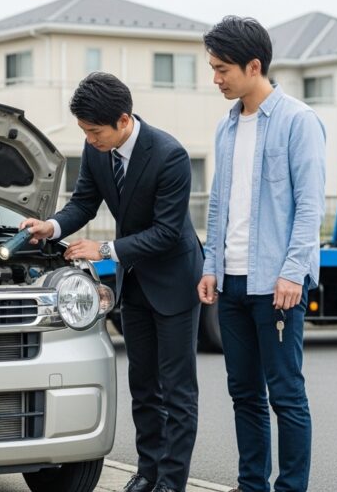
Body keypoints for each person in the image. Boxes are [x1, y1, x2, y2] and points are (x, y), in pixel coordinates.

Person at [21, 72, 203, 492]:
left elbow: (168, 232)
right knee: (143, 386)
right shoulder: (97, 149)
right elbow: (85, 201)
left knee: (176, 390)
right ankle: (149, 472)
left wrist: (104, 251)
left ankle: (172, 482)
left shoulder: (169, 155)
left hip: (174, 281)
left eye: (94, 130)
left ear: (123, 120)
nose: (89, 138)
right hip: (134, 282)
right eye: (84, 131)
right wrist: (51, 225)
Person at [196, 16, 326, 492]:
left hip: (277, 284)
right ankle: (252, 485)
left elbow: (310, 205)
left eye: (222, 68)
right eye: (212, 67)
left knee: (286, 395)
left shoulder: (299, 121)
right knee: (243, 394)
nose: (216, 78)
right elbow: (218, 203)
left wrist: (293, 273)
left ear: (254, 66)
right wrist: (211, 265)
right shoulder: (226, 128)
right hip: (231, 282)